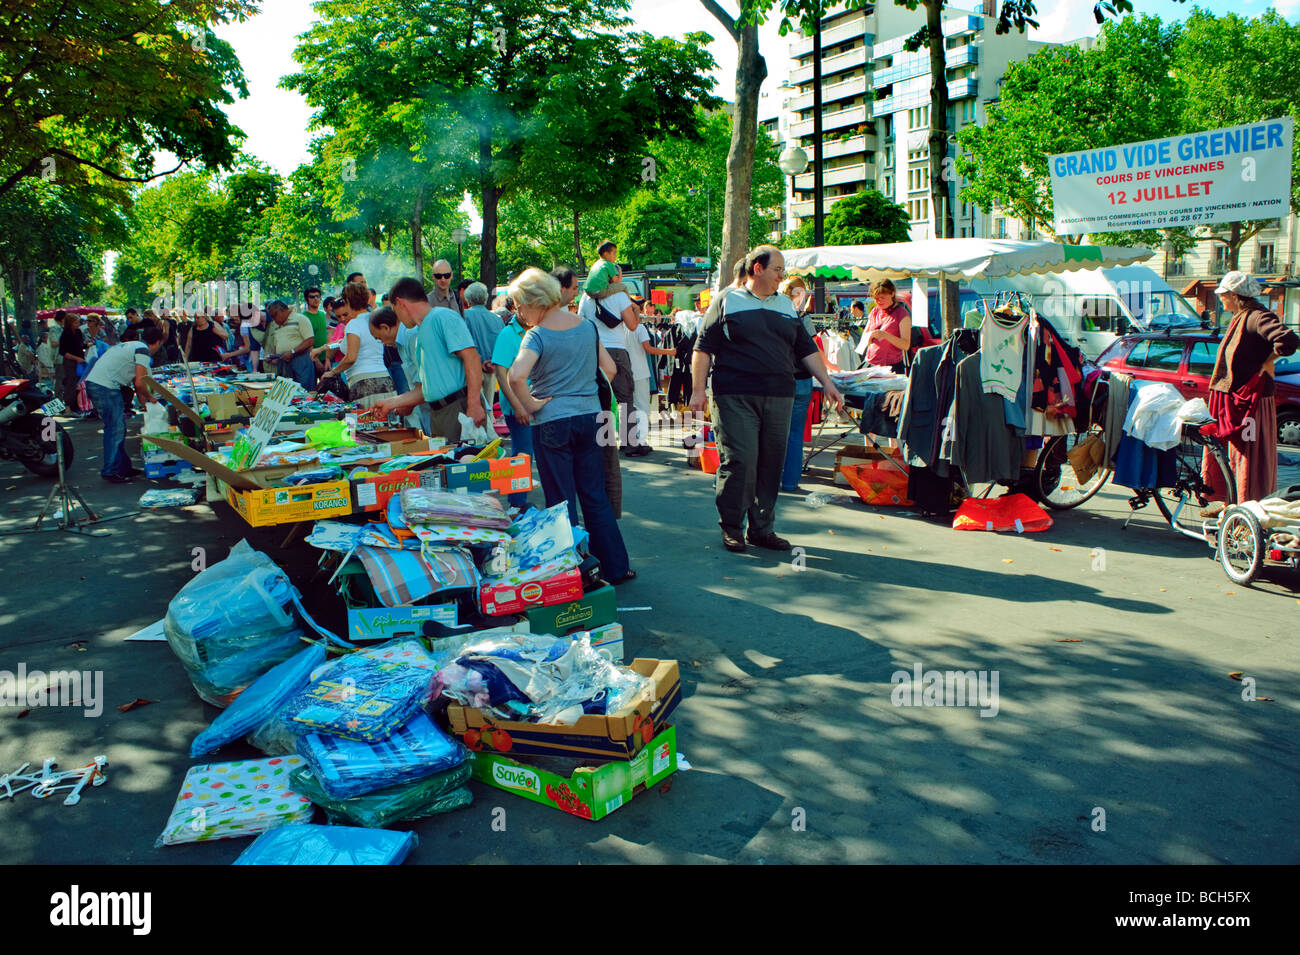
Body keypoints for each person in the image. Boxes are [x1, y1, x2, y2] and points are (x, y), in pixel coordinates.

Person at [690, 245, 845, 553]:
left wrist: (827, 382)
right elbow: (703, 348)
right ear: (757, 269)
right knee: (741, 462)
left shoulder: (786, 306)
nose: (782, 277)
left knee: (771, 463)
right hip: (735, 395)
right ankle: (732, 527)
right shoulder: (726, 300)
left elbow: (806, 349)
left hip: (779, 395)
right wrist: (697, 391)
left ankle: (762, 529)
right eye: (778, 270)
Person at [507, 268, 634, 584]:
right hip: (590, 418)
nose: (519, 313)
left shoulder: (536, 335)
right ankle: (615, 567)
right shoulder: (587, 327)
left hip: (552, 423)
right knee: (595, 495)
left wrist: (532, 404)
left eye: (520, 306)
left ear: (533, 302)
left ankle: (573, 573)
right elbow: (610, 369)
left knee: (560, 501)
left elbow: (515, 376)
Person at [1203, 270, 1300, 508]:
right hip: (1232, 397)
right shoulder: (1241, 316)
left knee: (1246, 453)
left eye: (1224, 295)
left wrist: (1269, 361)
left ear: (1235, 296)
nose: (1222, 300)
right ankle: (1229, 502)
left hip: (1249, 401)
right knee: (1228, 452)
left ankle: (1247, 506)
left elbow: (1288, 340)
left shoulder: (1257, 316)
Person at [372, 278, 485, 440]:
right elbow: (424, 390)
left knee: (467, 461)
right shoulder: (420, 331)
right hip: (439, 413)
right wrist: (390, 403)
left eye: (395, 310)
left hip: (459, 407)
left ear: (400, 303)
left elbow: (472, 358)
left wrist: (474, 404)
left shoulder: (443, 317)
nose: (398, 318)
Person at [84, 327, 166, 482]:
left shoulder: (134, 345)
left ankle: (122, 467)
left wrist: (145, 404)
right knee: (115, 429)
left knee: (117, 428)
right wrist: (151, 398)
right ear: (157, 342)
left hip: (99, 384)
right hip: (105, 387)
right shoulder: (143, 351)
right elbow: (140, 382)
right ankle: (111, 470)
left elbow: (138, 384)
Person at [577, 267, 642, 454]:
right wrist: (636, 311)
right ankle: (629, 443)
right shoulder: (621, 296)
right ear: (613, 277)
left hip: (594, 351)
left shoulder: (586, 298)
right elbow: (632, 325)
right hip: (617, 351)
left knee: (598, 397)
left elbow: (581, 323)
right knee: (625, 398)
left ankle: (601, 442)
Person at [491, 287, 539, 509]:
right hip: (517, 407)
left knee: (527, 454)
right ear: (518, 308)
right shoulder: (507, 335)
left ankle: (518, 501)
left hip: (537, 404)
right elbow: (501, 374)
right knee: (521, 455)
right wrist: (519, 407)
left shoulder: (538, 330)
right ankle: (516, 503)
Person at [320, 282, 395, 408]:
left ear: (348, 300)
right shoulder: (374, 318)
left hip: (364, 383)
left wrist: (332, 372)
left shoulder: (353, 324)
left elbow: (351, 357)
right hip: (385, 379)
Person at [778, 276, 820, 494]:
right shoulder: (804, 319)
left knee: (775, 432)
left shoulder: (776, 317)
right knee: (795, 435)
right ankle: (790, 482)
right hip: (803, 380)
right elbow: (812, 351)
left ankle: (772, 480)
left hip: (781, 380)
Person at [368, 306, 432, 434]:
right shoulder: (402, 343)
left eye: (379, 339)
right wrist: (404, 405)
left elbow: (425, 388)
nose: (383, 344)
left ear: (385, 327)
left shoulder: (411, 336)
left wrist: (391, 403)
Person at [462, 282, 504, 427]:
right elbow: (500, 345)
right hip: (492, 369)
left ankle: (481, 441)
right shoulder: (497, 319)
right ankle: (490, 437)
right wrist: (492, 363)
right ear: (485, 298)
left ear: (468, 299)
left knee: (476, 410)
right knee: (489, 407)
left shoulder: (464, 317)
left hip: (472, 370)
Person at [263, 301, 318, 389]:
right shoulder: (276, 325)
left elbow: (310, 340)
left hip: (301, 360)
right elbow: (277, 344)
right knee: (288, 391)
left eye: (274, 315)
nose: (273, 319)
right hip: (284, 362)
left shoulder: (300, 319)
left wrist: (292, 352)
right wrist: (273, 358)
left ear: (282, 310)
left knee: (304, 390)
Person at [861, 279, 912, 373]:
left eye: (882, 297)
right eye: (876, 298)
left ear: (892, 294)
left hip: (892, 367)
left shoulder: (901, 314)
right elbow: (865, 336)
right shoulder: (874, 311)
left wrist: (885, 335)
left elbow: (905, 345)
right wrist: (869, 337)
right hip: (871, 363)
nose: (879, 301)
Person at [56, 311, 87, 413]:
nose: (77, 325)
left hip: (80, 360)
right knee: (70, 382)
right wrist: (76, 358)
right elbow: (63, 352)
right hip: (70, 362)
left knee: (79, 382)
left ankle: (78, 404)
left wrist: (88, 345)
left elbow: (81, 345)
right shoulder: (65, 335)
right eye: (75, 323)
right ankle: (68, 406)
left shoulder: (78, 332)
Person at [302, 287, 330, 369]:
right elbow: (306, 340)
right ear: (307, 299)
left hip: (326, 358)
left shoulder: (323, 315)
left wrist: (328, 358)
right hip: (311, 359)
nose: (315, 299)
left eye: (318, 296)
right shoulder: (304, 317)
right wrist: (316, 360)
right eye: (312, 297)